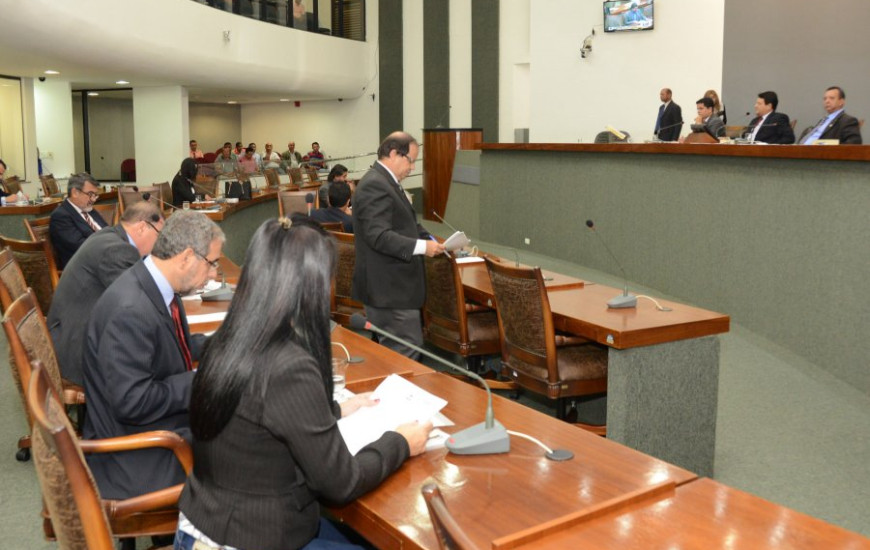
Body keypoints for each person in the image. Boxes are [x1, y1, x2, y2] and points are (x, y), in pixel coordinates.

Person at [175, 216, 431, 550]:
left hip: (202, 525)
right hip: (250, 537)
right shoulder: (289, 366)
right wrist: (399, 441)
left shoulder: (227, 339)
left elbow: (259, 419)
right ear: (309, 285)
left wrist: (338, 409)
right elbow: (341, 483)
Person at [82, 211, 225, 500]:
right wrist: (203, 379)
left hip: (152, 429)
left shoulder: (153, 284)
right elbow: (133, 402)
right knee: (248, 449)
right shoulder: (130, 310)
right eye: (211, 264)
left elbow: (172, 346)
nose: (213, 275)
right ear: (186, 257)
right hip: (135, 455)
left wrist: (225, 344)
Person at [48, 202, 165, 386]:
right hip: (77, 350)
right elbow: (140, 304)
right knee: (162, 360)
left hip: (70, 331)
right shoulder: (117, 250)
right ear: (143, 227)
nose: (159, 243)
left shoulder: (110, 236)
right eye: (159, 235)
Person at [352, 131, 444, 360]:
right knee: (406, 352)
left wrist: (435, 242)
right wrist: (423, 248)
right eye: (411, 160)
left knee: (399, 353)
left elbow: (408, 225)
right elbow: (379, 236)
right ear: (394, 153)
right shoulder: (375, 184)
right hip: (389, 292)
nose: (412, 168)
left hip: (392, 290)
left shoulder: (385, 181)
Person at [49, 172, 109, 269]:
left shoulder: (89, 209)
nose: (93, 199)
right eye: (90, 194)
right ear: (75, 192)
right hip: (83, 268)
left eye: (95, 195)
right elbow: (82, 246)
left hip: (103, 259)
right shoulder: (61, 216)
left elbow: (107, 230)